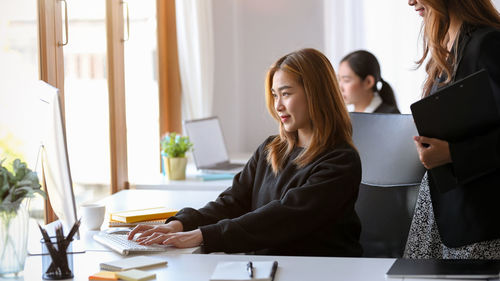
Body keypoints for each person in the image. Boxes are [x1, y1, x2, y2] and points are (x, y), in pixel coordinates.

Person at [128, 48, 363, 257]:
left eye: (286, 93)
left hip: (318, 271)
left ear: (316, 94)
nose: (277, 105)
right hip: (266, 266)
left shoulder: (340, 161)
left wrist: (202, 235)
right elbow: (233, 201)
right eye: (274, 95)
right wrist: (181, 223)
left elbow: (284, 217)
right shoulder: (271, 149)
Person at [404, 0, 500, 259]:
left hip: (478, 216)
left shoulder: (488, 44)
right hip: (444, 207)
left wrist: (453, 154)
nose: (409, 1)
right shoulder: (448, 46)